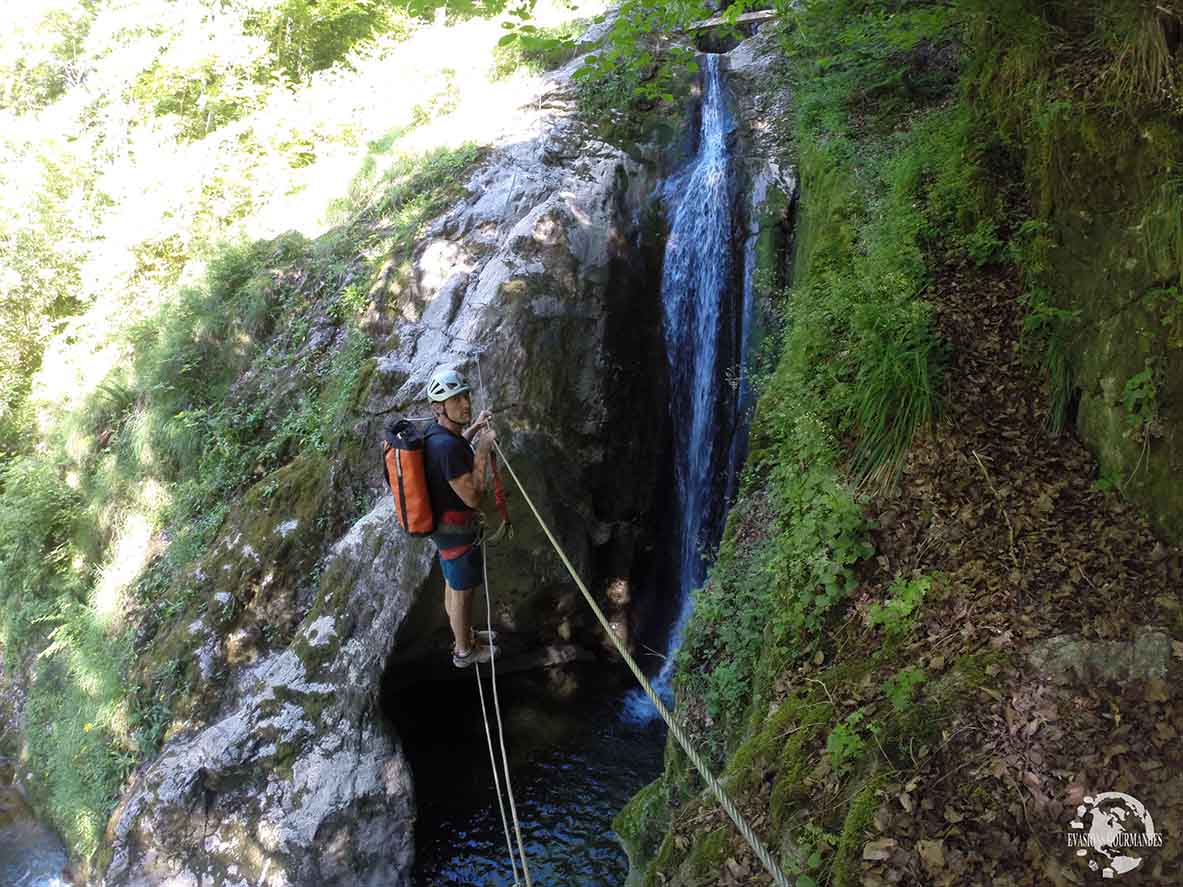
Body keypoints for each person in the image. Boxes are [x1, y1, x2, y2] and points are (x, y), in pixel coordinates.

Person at [424, 367, 500, 667]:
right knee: (463, 592)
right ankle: (464, 651)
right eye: (456, 400)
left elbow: (454, 446)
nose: (466, 404)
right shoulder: (446, 448)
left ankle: (464, 634)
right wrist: (482, 449)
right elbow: (473, 496)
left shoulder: (437, 434)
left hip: (442, 528)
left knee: (453, 586)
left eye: (466, 397)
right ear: (439, 407)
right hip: (456, 531)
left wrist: (474, 430)